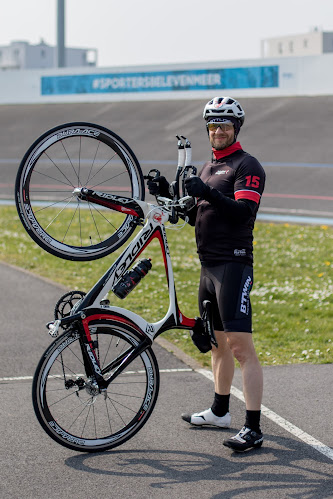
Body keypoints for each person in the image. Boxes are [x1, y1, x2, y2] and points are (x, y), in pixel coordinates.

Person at [148, 96, 266, 452]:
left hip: (234, 263)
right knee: (216, 345)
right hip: (208, 265)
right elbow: (195, 215)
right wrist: (168, 192)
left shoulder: (247, 165)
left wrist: (208, 194)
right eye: (213, 125)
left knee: (240, 346)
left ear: (236, 128)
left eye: (225, 125)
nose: (218, 131)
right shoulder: (207, 168)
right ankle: (219, 411)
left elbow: (243, 213)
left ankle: (253, 427)